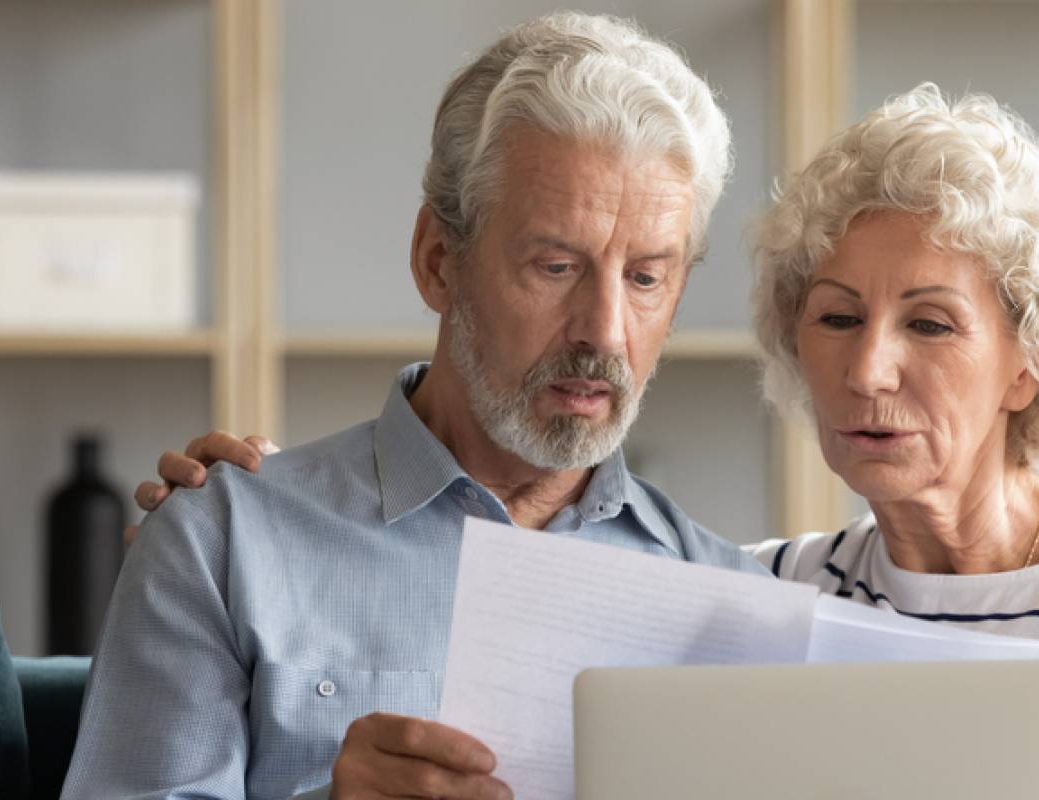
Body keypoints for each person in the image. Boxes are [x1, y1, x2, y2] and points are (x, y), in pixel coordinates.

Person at [144, 87, 1039, 798]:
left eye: (932, 322)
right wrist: (266, 495)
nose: (868, 367)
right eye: (837, 317)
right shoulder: (756, 591)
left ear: (1031, 356)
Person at [62, 12, 760, 800]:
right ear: (438, 262)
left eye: (645, 278)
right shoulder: (220, 542)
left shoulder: (729, 599)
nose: (604, 331)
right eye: (557, 265)